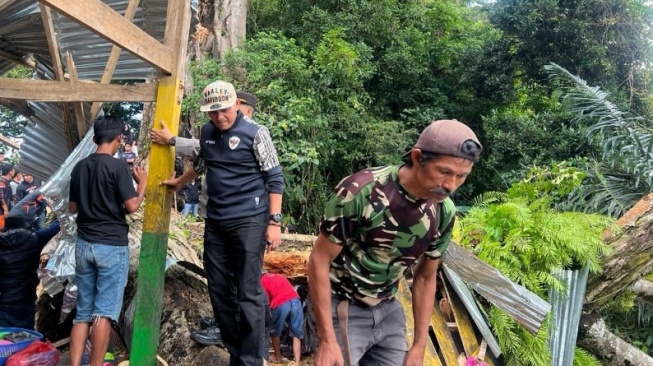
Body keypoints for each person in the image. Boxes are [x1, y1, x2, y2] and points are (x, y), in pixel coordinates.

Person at [308, 119, 482, 366]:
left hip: (388, 307)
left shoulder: (443, 212)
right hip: (343, 305)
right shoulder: (361, 192)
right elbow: (318, 261)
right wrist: (326, 339)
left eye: (461, 176)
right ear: (418, 157)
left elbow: (425, 277)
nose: (450, 185)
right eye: (444, 172)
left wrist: (419, 345)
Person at [161, 80, 283, 366]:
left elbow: (275, 178)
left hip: (249, 221)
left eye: (224, 110)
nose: (219, 117)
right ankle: (236, 354)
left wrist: (274, 222)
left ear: (236, 105)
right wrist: (179, 183)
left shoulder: (256, 133)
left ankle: (253, 360)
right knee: (218, 289)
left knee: (248, 290)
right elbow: (202, 167)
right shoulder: (206, 132)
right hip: (216, 221)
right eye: (212, 112)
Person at [68, 116, 147, 366]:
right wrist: (142, 183)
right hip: (111, 246)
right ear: (119, 139)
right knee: (103, 313)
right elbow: (132, 206)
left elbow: (72, 208)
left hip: (84, 244)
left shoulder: (80, 167)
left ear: (94, 139)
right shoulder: (118, 168)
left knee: (82, 313)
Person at [0, 212, 61, 329]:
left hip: (4, 301)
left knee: (3, 341)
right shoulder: (35, 238)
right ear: (24, 226)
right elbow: (55, 227)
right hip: (26, 299)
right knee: (25, 338)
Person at [261, 272, 303, 365]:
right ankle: (297, 362)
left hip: (280, 303)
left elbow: (265, 302)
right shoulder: (279, 275)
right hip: (295, 300)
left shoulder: (261, 281)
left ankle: (278, 357)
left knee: (274, 332)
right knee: (296, 334)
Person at [0, 163, 15, 227]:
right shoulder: (1, 181)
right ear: (10, 172)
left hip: (6, 211)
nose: (14, 171)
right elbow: (1, 197)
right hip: (1, 212)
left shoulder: (8, 182)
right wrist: (5, 209)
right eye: (13, 170)